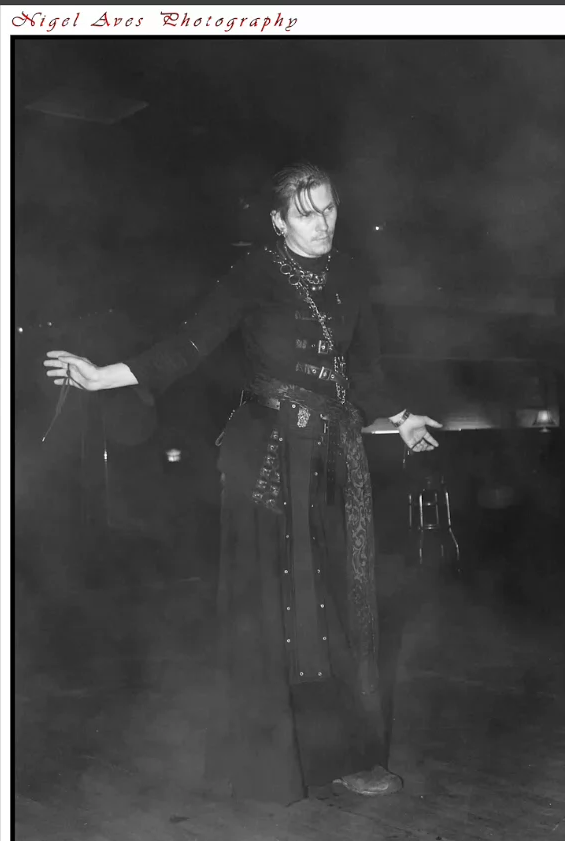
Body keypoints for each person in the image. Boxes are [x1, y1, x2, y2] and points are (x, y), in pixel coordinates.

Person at [44, 161, 442, 805]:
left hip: (330, 455)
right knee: (274, 609)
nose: (322, 223)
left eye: (329, 208)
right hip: (266, 458)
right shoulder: (254, 273)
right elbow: (188, 344)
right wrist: (102, 376)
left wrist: (401, 418)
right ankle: (267, 764)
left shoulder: (350, 276)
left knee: (337, 603)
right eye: (306, 214)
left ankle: (345, 755)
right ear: (279, 221)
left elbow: (362, 370)